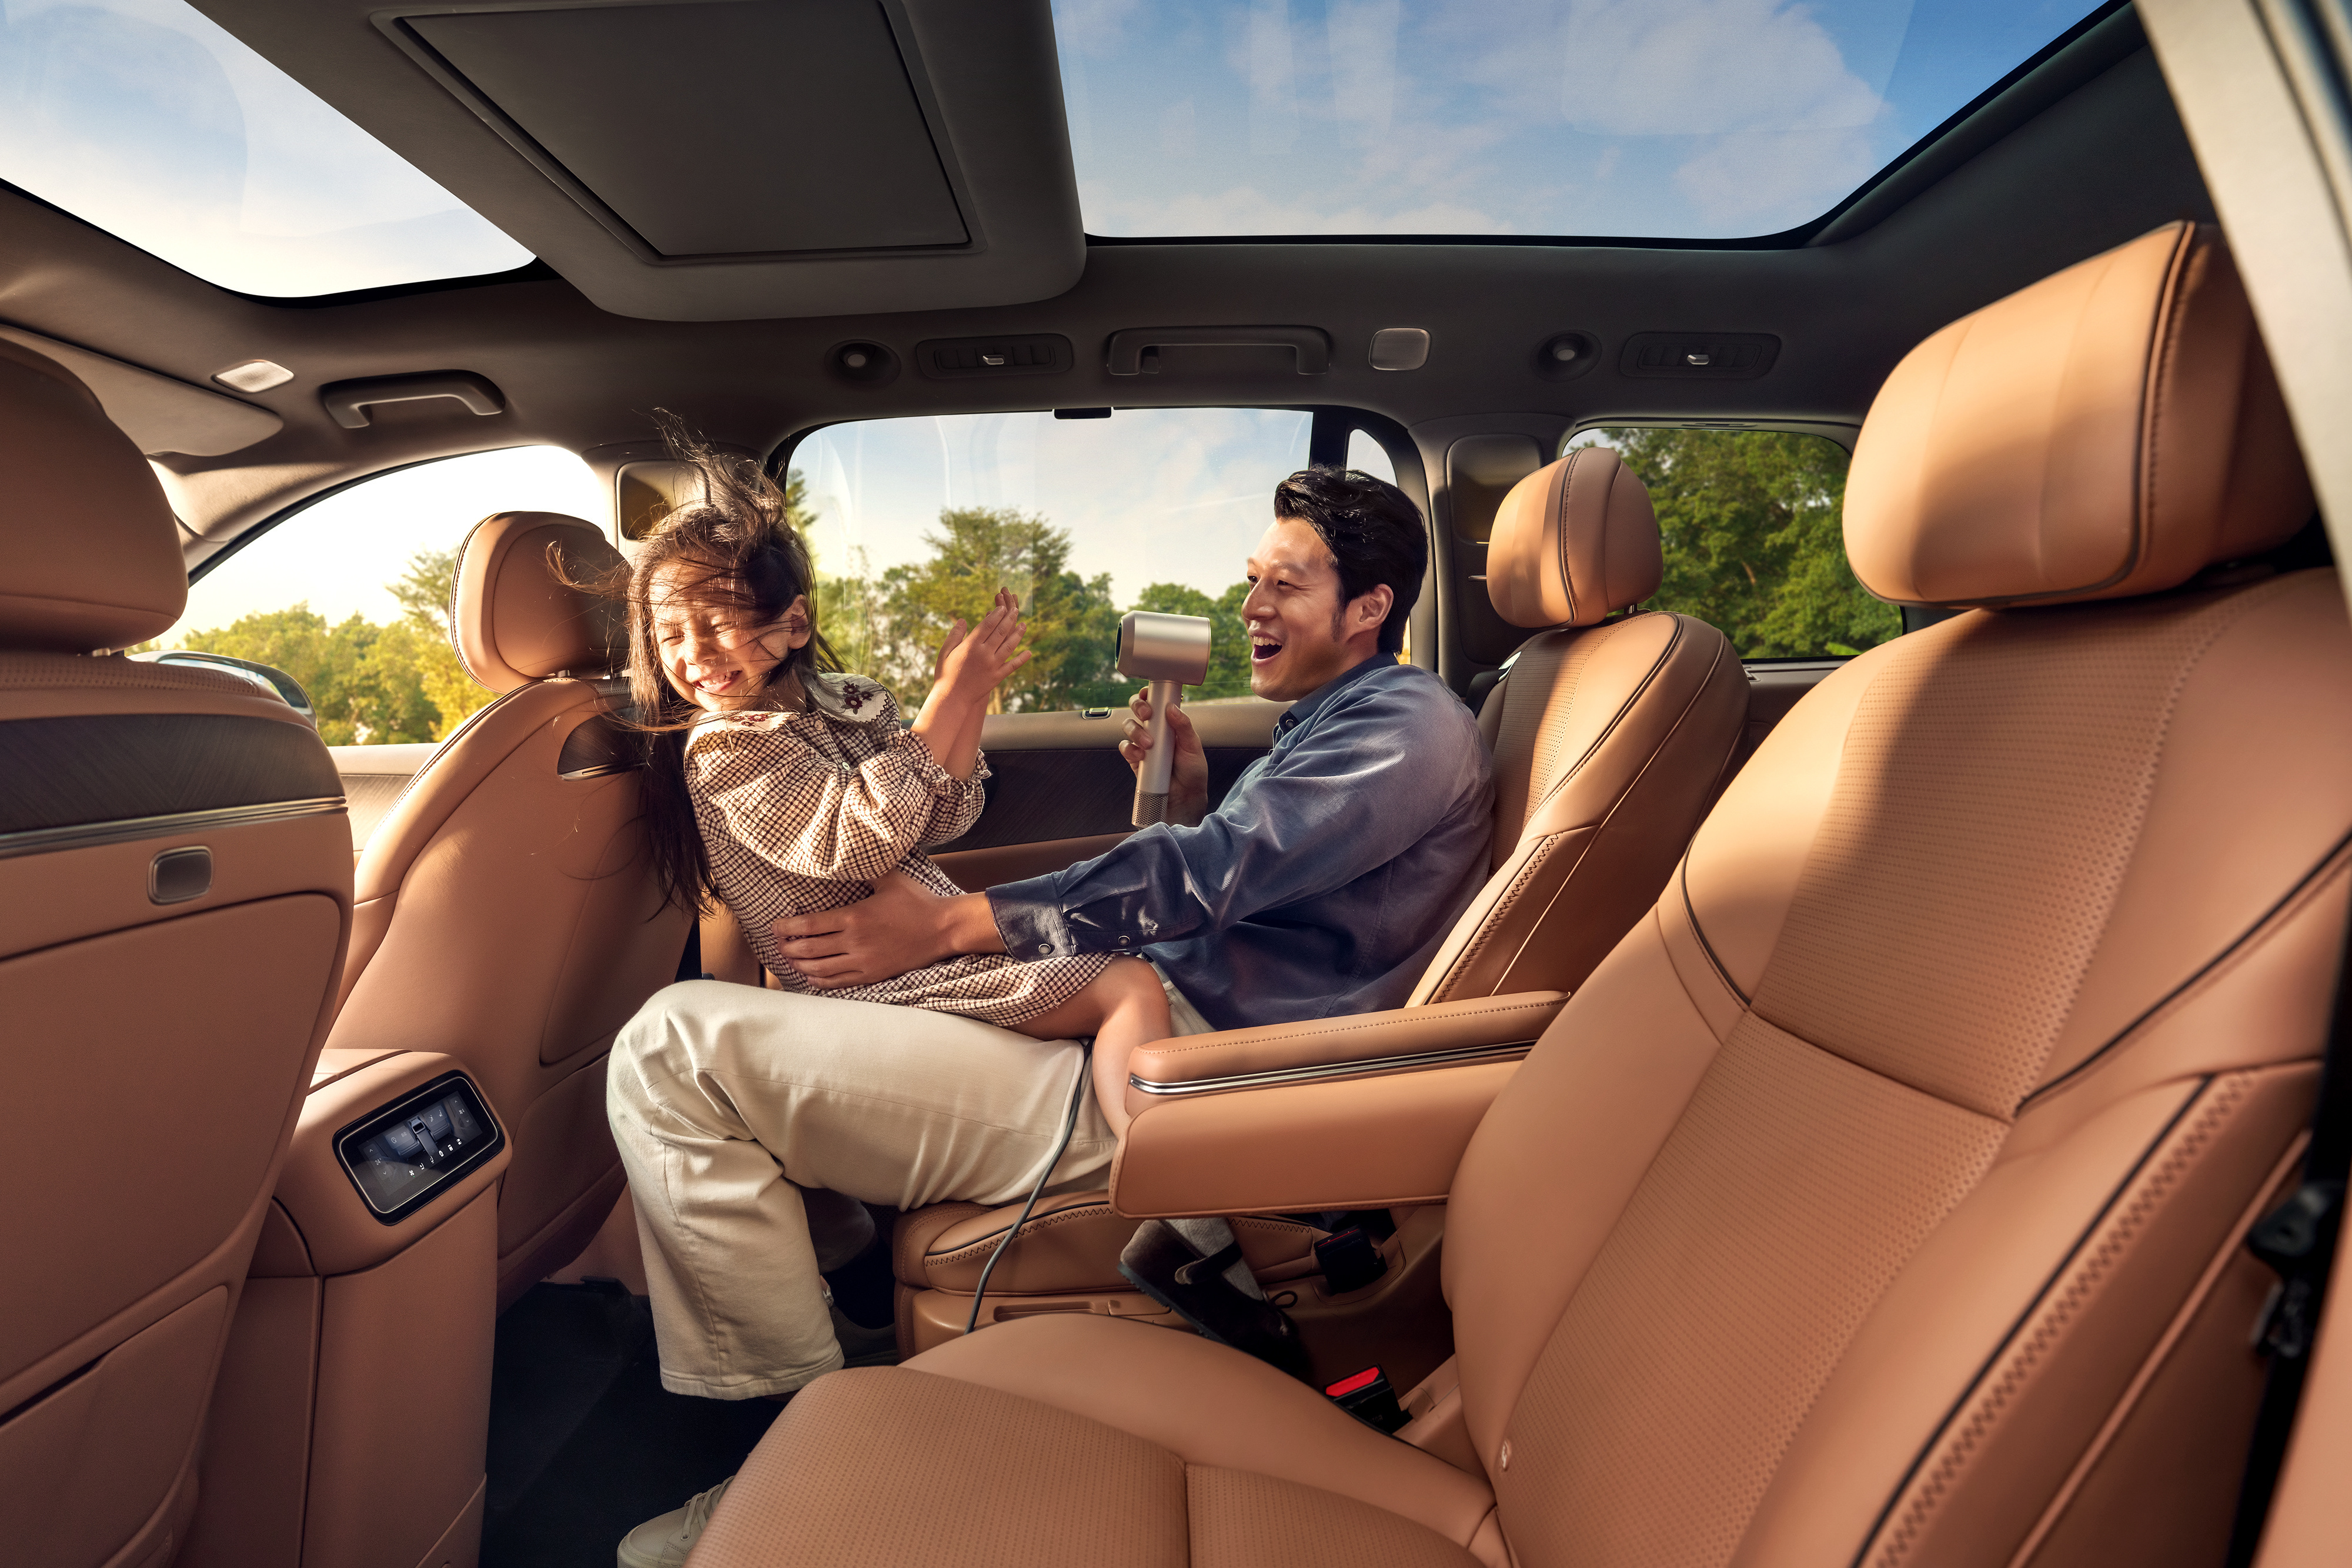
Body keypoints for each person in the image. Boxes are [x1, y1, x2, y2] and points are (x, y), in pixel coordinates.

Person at [608, 463, 1493, 1567]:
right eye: (1253, 578)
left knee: (671, 1050)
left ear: (1370, 608)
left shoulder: (1404, 723)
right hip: (1153, 1013)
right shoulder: (1340, 719)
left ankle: (787, 1454)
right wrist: (1182, 800)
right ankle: (847, 1339)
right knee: (698, 1039)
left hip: (1188, 1067)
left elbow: (1215, 874)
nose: (1252, 606)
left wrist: (954, 925)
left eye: (1287, 584)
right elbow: (1255, 880)